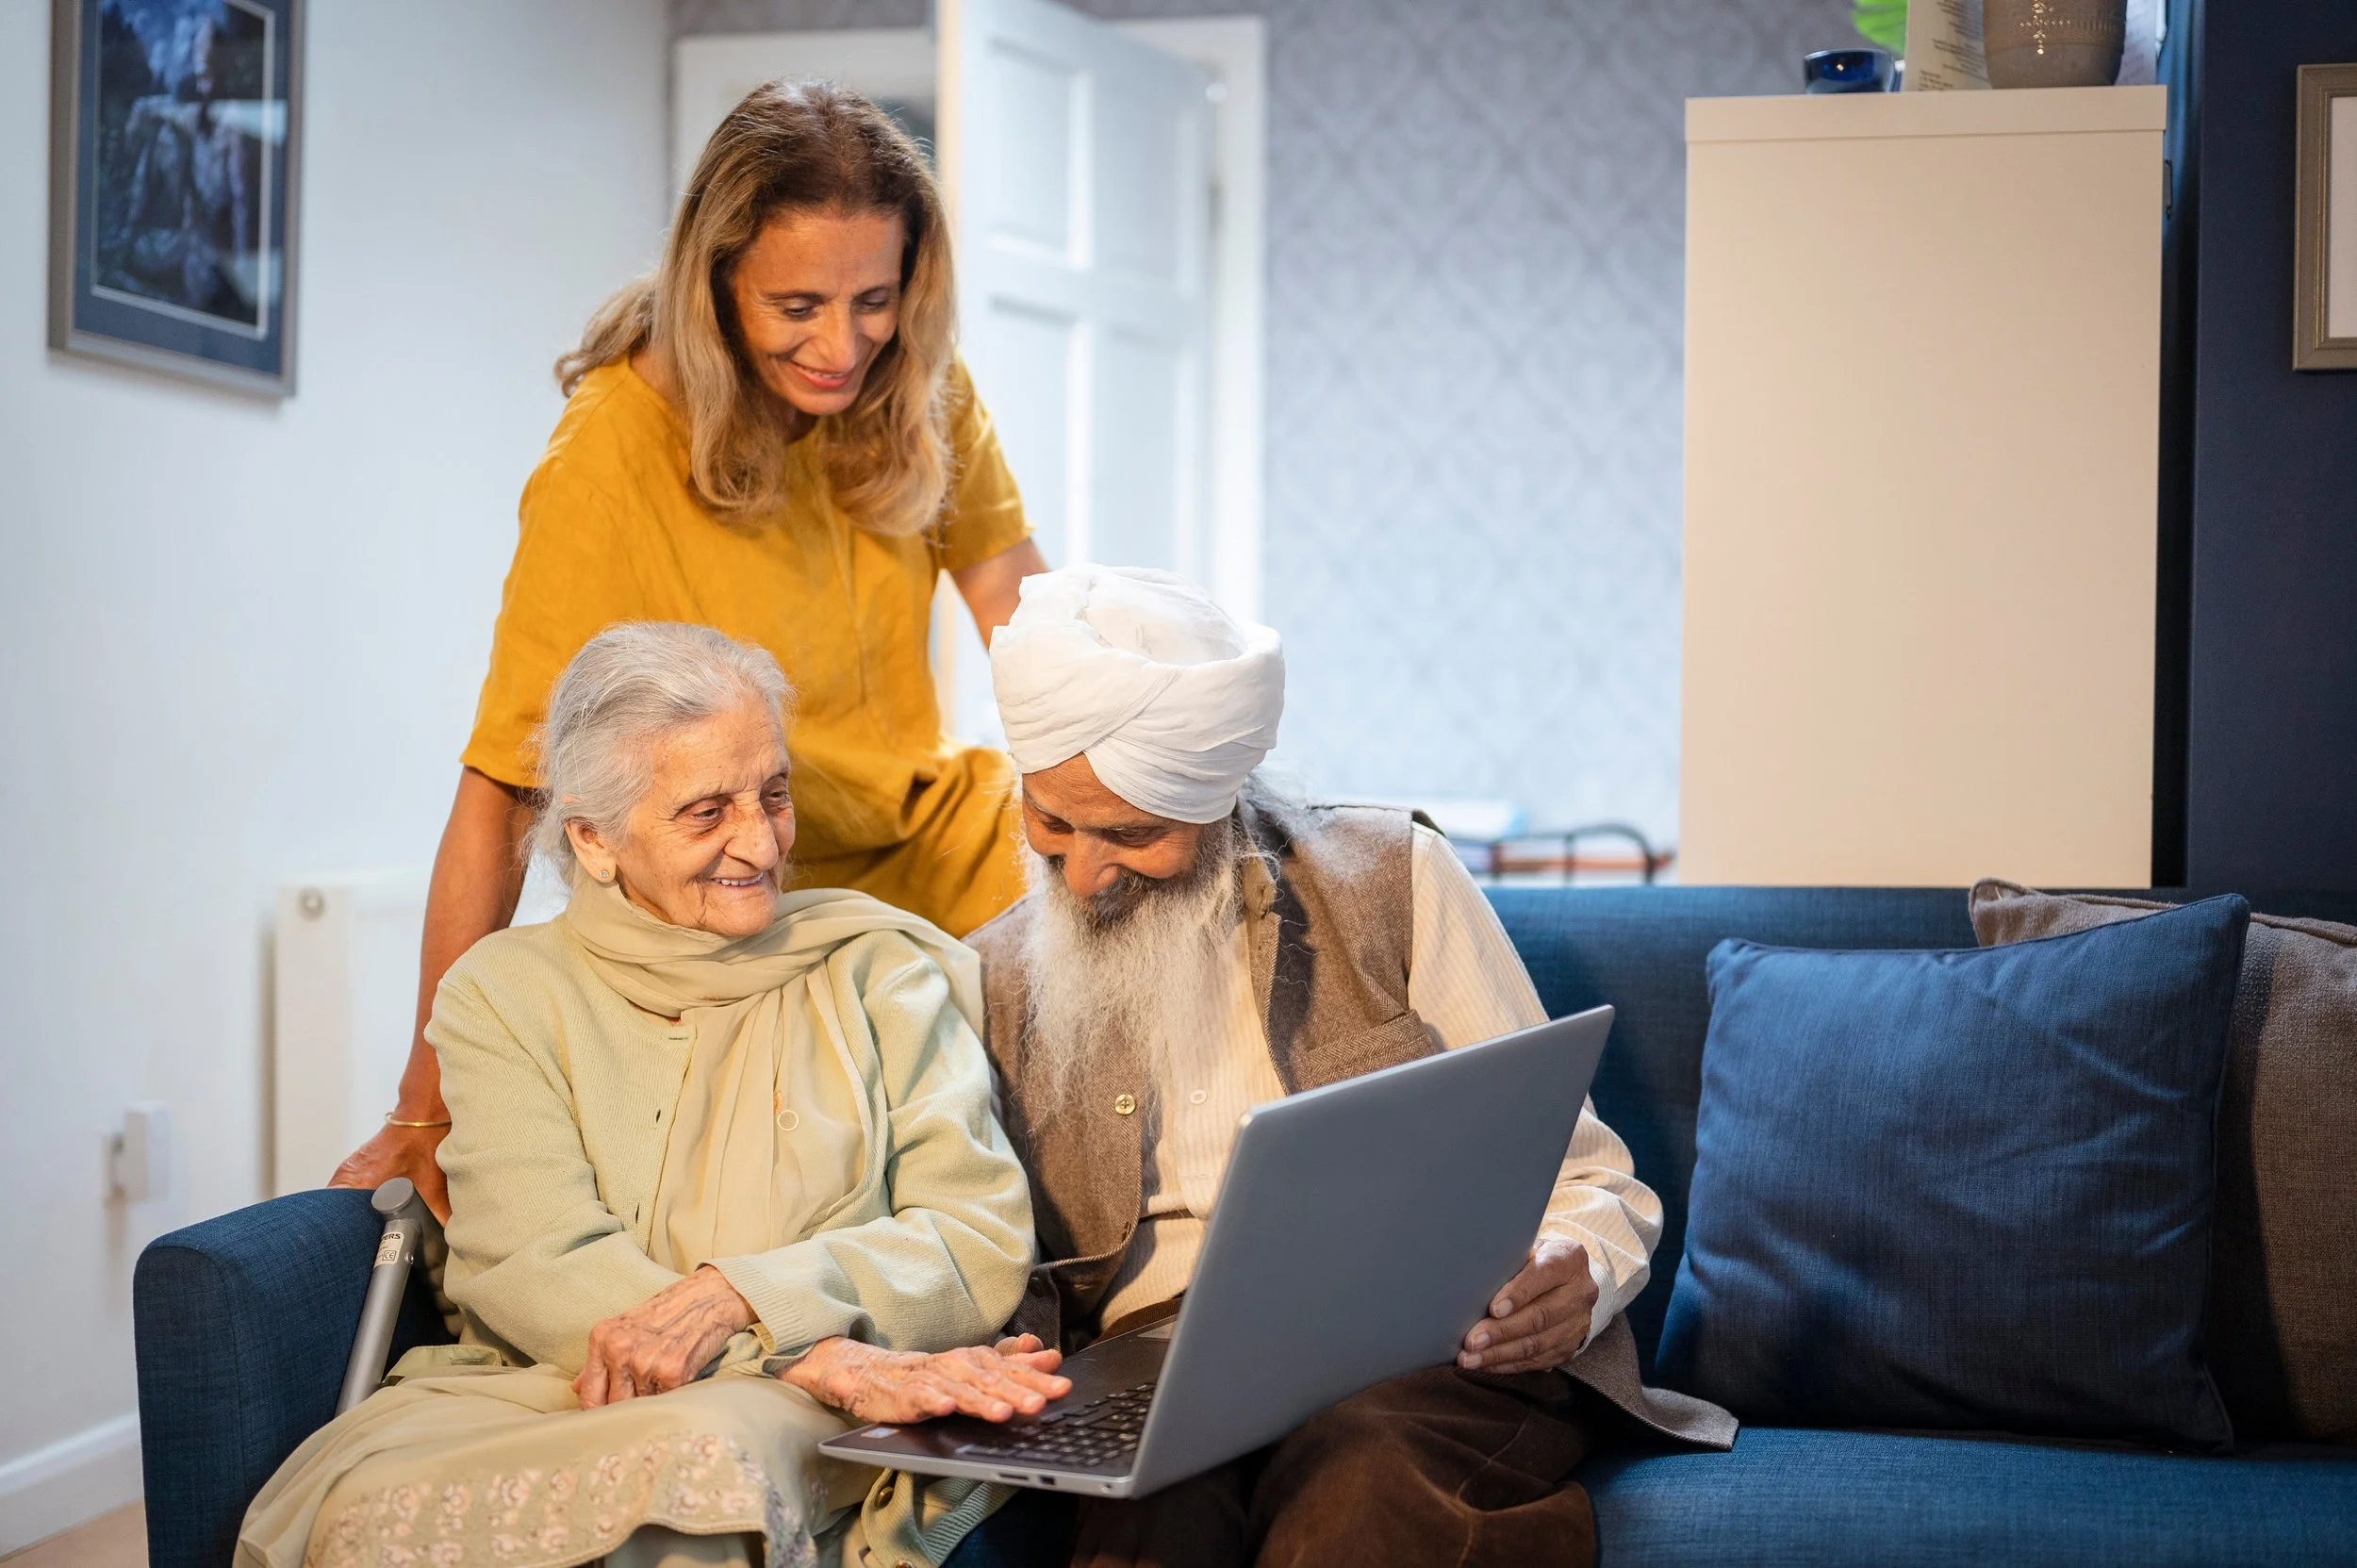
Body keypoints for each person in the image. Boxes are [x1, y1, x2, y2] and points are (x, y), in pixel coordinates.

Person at [335, 79, 1047, 1219]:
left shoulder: (910, 378)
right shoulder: (608, 455)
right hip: (750, 882)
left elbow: (1018, 603)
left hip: (921, 832)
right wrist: (424, 1105)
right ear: (714, 284)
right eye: (798, 304)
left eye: (875, 297)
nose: (842, 344)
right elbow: (504, 790)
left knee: (1225, 883)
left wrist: (1102, 791)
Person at [241, 624, 1065, 1568]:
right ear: (593, 838)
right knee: (373, 1507)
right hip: (569, 1387)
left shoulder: (877, 970)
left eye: (774, 794)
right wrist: (808, 1351)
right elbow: (533, 1256)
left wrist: (740, 1297)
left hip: (813, 1413)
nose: (758, 841)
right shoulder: (501, 994)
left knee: (715, 1451)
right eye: (707, 810)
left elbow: (976, 1237)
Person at [965, 568, 1736, 1568]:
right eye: (1051, 822)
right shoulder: (991, 972)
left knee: (1359, 1484)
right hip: (1154, 1368)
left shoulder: (1391, 878)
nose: (1083, 873)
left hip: (1420, 1347)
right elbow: (976, 1241)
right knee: (1146, 1519)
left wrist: (1578, 1271)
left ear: (1217, 797)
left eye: (1131, 832)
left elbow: (1589, 1178)